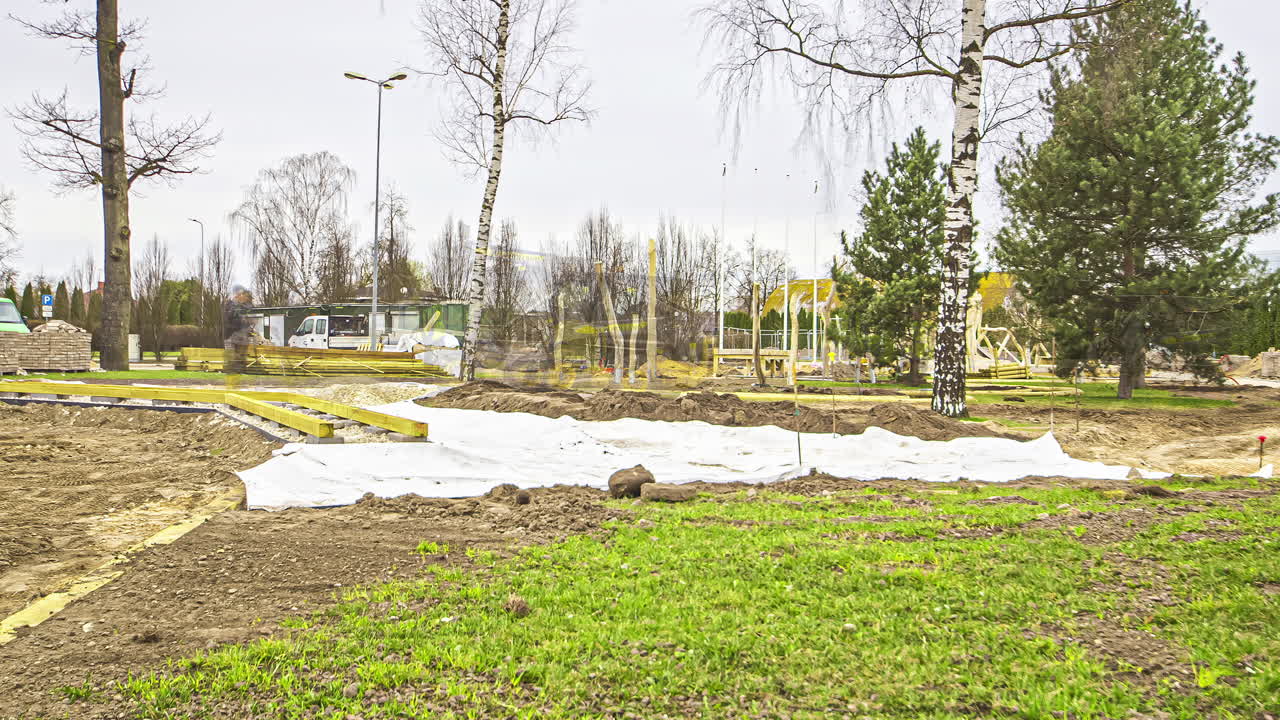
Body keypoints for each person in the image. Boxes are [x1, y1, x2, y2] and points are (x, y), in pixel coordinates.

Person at [223, 286, 254, 376]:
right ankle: (232, 371)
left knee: (242, 355)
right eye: (242, 295)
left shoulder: (246, 306)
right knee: (232, 355)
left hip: (242, 335)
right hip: (231, 335)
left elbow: (250, 315)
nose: (244, 298)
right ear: (238, 295)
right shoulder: (230, 305)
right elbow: (229, 318)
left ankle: (241, 370)